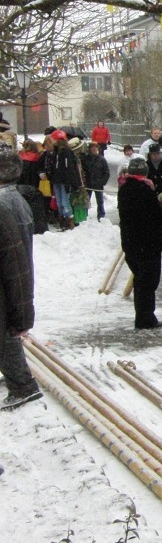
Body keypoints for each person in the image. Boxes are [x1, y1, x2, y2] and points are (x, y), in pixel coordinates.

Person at [0, 148, 43, 411]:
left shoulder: (5, 204)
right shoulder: (15, 199)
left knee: (7, 332)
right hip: (16, 274)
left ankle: (23, 386)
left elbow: (12, 255)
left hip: (11, 277)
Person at [118, 157, 162, 329]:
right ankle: (145, 318)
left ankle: (142, 315)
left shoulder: (124, 189)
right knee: (148, 282)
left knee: (140, 280)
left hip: (131, 243)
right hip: (147, 244)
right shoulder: (145, 190)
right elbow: (154, 214)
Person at [44, 129, 80, 230]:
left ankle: (69, 221)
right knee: (59, 203)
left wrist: (71, 182)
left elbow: (69, 169)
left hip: (64, 181)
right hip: (57, 181)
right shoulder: (56, 152)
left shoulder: (66, 152)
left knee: (65, 202)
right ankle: (62, 220)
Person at [83, 142, 110, 220]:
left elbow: (107, 172)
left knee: (100, 201)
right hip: (88, 184)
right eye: (92, 147)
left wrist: (102, 182)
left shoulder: (102, 159)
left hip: (98, 184)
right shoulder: (86, 159)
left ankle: (101, 215)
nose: (94, 149)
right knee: (86, 201)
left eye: (96, 147)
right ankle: (85, 215)